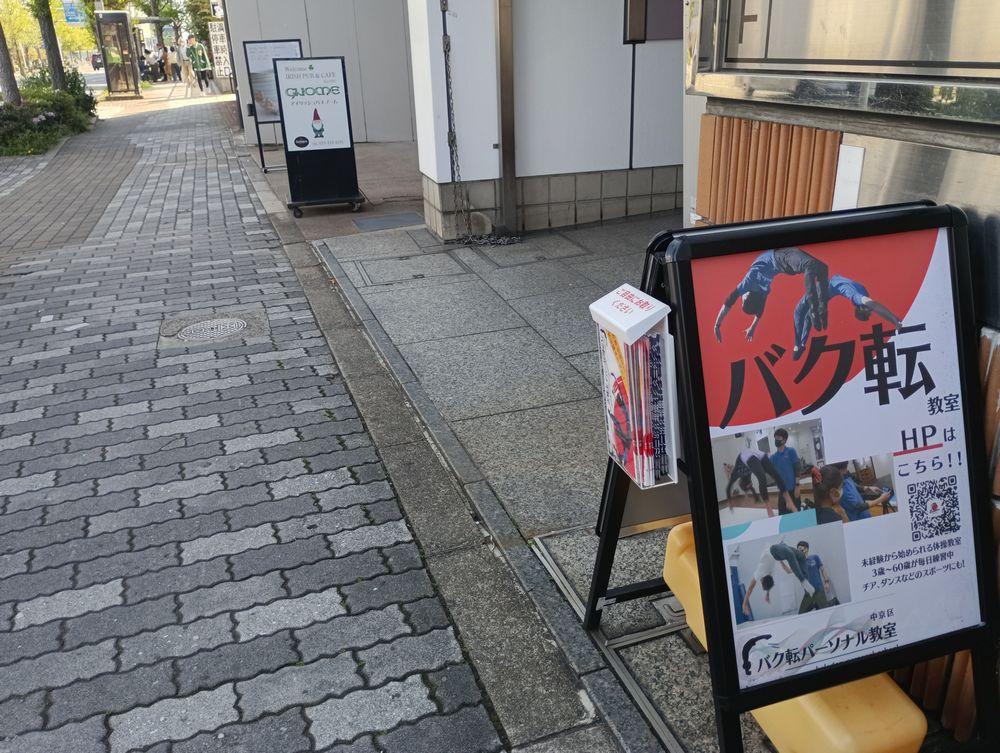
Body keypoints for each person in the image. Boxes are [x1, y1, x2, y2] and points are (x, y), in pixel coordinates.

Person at [715, 247, 830, 343]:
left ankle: (822, 307)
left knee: (822, 268)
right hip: (782, 258)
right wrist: (717, 325)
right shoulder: (748, 282)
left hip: (785, 264)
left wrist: (752, 328)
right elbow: (728, 302)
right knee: (809, 264)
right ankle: (814, 308)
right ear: (745, 297)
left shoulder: (763, 292)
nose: (741, 297)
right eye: (742, 300)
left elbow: (760, 312)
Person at [792, 273, 903, 360]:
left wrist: (893, 319)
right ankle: (800, 344)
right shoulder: (858, 297)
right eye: (869, 311)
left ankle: (800, 344)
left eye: (868, 311)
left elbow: (875, 307)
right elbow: (875, 306)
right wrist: (894, 319)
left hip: (827, 288)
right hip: (827, 287)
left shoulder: (858, 298)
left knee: (804, 314)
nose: (870, 310)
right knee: (803, 314)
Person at [742, 541, 816, 618]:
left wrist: (744, 605)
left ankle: (803, 581)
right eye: (761, 582)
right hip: (778, 553)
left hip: (774, 549)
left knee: (790, 554)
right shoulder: (769, 577)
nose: (759, 581)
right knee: (801, 556)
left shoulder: (759, 572)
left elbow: (750, 589)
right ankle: (807, 584)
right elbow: (764, 585)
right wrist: (767, 594)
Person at [724, 446, 795, 518]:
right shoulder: (748, 478)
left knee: (763, 477)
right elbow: (752, 489)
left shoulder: (736, 473)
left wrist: (730, 502)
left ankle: (778, 506)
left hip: (747, 456)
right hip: (759, 454)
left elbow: (728, 487)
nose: (751, 485)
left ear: (746, 484)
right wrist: (754, 497)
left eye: (750, 485)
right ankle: (784, 503)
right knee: (775, 475)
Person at [768, 428, 801, 514]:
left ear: (784, 440)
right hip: (783, 492)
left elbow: (797, 468)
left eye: (778, 438)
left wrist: (797, 486)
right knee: (783, 516)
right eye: (775, 438)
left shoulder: (791, 451)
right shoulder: (773, 457)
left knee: (796, 515)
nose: (776, 440)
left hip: (793, 489)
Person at [796, 541, 831, 613]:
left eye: (800, 549)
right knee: (801, 614)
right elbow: (788, 571)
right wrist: (781, 561)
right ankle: (815, 604)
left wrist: (827, 582)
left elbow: (823, 570)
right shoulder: (799, 563)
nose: (799, 551)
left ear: (806, 549)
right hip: (808, 593)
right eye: (798, 550)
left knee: (825, 611)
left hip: (819, 590)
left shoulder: (815, 557)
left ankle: (833, 601)